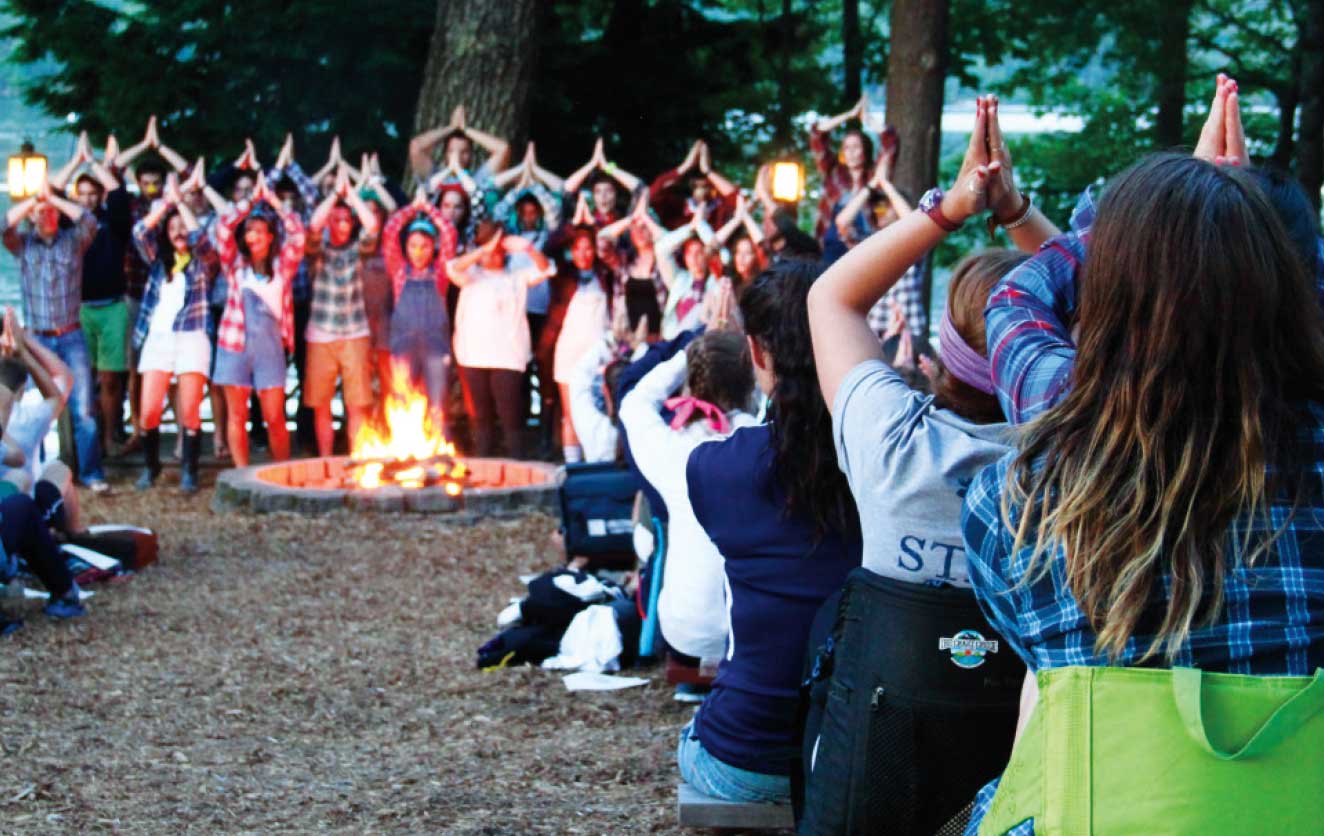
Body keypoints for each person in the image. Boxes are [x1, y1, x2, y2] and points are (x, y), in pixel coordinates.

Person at [960, 77, 1324, 835]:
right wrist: (1234, 222)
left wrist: (1152, 224)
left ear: (1104, 292)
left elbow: (1015, 302)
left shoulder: (1017, 493)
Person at [678, 263, 862, 804]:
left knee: (696, 736)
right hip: (846, 755)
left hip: (743, 753)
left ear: (757, 353)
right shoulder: (885, 459)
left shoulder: (714, 468)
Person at [618, 328, 759, 667]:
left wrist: (691, 351)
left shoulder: (672, 448)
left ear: (692, 381)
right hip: (747, 630)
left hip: (685, 630)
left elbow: (634, 401)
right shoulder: (761, 440)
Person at [0, 178, 108, 492]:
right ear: (31, 215)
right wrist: (35, 200)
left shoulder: (72, 241)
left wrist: (54, 200)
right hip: (36, 336)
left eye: (52, 212)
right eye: (40, 212)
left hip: (71, 334)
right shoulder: (23, 245)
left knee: (83, 410)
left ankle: (91, 473)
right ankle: (39, 468)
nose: (46, 216)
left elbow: (90, 221)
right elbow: (2, 225)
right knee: (34, 407)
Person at [131, 174, 220, 492]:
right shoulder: (157, 262)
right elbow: (140, 232)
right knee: (148, 410)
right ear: (166, 235)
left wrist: (181, 204)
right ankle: (151, 467)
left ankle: (189, 471)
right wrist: (167, 202)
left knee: (190, 409)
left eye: (181, 227)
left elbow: (202, 239)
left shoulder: (201, 263)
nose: (179, 232)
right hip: (158, 338)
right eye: (173, 229)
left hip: (192, 336)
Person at [212, 173, 307, 467]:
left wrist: (274, 202)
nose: (252, 236)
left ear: (269, 236)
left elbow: (298, 234)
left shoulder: (282, 267)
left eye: (258, 231)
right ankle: (241, 473)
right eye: (248, 231)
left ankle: (281, 472)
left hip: (269, 347)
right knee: (237, 414)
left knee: (275, 416)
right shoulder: (234, 265)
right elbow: (222, 227)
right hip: (234, 345)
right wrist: (249, 202)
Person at [49, 133, 133, 458]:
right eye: (80, 195)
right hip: (79, 308)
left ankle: (110, 437)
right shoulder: (68, 229)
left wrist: (95, 163)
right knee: (86, 380)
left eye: (91, 194)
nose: (86, 199)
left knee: (111, 378)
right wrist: (76, 161)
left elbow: (119, 194)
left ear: (99, 195)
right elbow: (54, 192)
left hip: (112, 306)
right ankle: (89, 444)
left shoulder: (114, 225)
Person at [447, 222, 555, 458]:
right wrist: (483, 248)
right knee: (481, 421)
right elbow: (453, 267)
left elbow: (546, 269)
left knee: (511, 421)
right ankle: (484, 473)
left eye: (498, 250)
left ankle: (519, 471)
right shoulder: (471, 275)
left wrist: (527, 247)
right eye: (490, 250)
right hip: (473, 357)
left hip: (508, 358)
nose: (494, 255)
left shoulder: (517, 277)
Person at [302, 171, 381, 456]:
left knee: (357, 404)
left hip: (354, 332)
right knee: (321, 405)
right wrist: (335, 196)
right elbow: (312, 225)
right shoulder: (317, 250)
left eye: (347, 220)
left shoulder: (358, 251)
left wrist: (352, 195)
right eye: (336, 220)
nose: (342, 225)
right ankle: (326, 459)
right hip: (321, 334)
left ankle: (357, 459)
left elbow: (372, 227)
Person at [381, 191, 459, 424]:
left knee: (437, 405)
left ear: (433, 247)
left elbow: (449, 233)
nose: (418, 251)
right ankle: (405, 453)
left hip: (435, 346)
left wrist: (430, 210)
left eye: (424, 246)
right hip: (403, 345)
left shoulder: (441, 273)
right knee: (402, 400)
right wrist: (413, 209)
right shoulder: (398, 271)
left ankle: (438, 453)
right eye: (413, 245)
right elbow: (389, 232)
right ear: (405, 247)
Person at [548, 226, 617, 463]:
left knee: (598, 411)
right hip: (569, 354)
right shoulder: (564, 277)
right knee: (571, 415)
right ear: (572, 252)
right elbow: (551, 245)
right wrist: (575, 225)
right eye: (578, 249)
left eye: (589, 248)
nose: (584, 254)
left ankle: (597, 462)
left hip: (600, 355)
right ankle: (573, 465)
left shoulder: (606, 275)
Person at [808, 95, 897, 241]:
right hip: (832, 242)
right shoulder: (833, 172)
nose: (851, 153)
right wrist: (849, 115)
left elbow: (890, 144)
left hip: (864, 243)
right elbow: (816, 135)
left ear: (865, 150)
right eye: (847, 148)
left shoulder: (874, 175)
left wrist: (869, 121)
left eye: (856, 147)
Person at [410, 104, 511, 186]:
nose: (457, 157)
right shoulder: (433, 176)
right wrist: (451, 128)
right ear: (445, 154)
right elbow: (416, 147)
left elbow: (503, 149)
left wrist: (465, 129)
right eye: (451, 151)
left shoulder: (479, 179)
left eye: (464, 152)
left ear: (471, 154)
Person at [648, 140, 738, 230]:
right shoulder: (678, 206)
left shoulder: (719, 209)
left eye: (705, 182)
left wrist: (707, 171)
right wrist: (686, 166)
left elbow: (738, 200)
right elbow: (652, 197)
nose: (700, 184)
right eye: (695, 183)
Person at [709, 195, 767, 296]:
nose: (741, 258)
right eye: (739, 252)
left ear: (756, 257)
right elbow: (711, 248)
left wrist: (746, 217)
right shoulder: (729, 278)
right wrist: (737, 219)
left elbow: (764, 247)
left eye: (747, 253)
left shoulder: (764, 280)